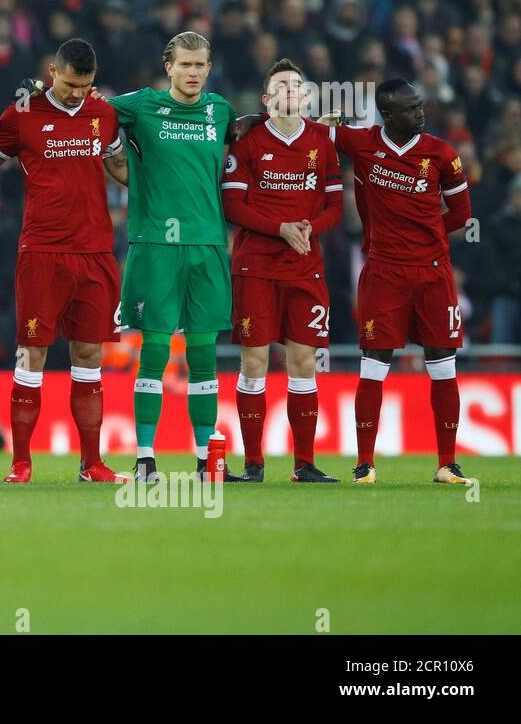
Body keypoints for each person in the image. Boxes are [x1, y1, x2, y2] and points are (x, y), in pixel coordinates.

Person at [0, 39, 125, 483]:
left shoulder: (105, 114)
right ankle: (21, 462)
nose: (79, 93)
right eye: (73, 84)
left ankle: (92, 464)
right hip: (41, 250)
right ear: (52, 71)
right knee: (31, 353)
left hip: (95, 250)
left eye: (87, 85)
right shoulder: (22, 114)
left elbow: (120, 170)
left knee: (89, 353)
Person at [108, 32, 247, 483]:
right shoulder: (141, 105)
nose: (192, 73)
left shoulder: (220, 110)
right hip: (155, 246)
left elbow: (259, 132)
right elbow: (90, 115)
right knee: (155, 351)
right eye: (184, 64)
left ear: (209, 68)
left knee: (205, 356)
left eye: (199, 65)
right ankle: (145, 456)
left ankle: (207, 457)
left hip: (207, 246)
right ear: (167, 66)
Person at [330, 79, 472, 484]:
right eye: (411, 109)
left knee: (443, 365)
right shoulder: (363, 144)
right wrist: (255, 119)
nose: (421, 114)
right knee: (374, 364)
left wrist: (422, 235)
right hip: (383, 272)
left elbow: (461, 215)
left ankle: (447, 463)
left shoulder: (441, 153)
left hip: (431, 272)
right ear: (388, 115)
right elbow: (309, 131)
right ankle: (365, 464)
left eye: (421, 106)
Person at [221, 59, 342, 483]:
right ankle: (253, 463)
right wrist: (281, 228)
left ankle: (304, 464)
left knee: (304, 362)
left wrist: (310, 228)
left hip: (305, 268)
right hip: (255, 266)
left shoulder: (322, 141)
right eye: (281, 86)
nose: (290, 91)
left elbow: (335, 206)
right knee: (254, 361)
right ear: (267, 100)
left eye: (297, 85)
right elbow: (233, 206)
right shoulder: (247, 140)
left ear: (307, 98)